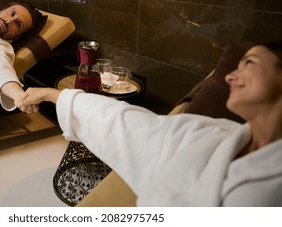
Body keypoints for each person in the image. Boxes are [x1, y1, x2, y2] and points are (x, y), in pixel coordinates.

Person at [17, 41, 282, 206]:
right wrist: (53, 95)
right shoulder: (212, 135)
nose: (230, 77)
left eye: (249, 63)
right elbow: (131, 126)